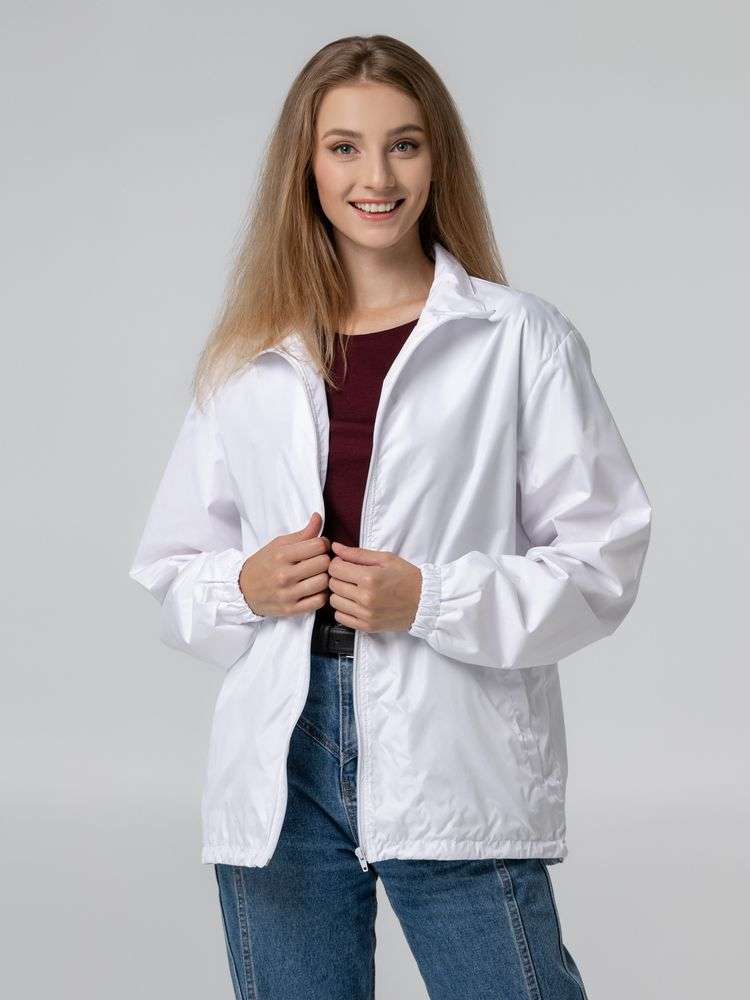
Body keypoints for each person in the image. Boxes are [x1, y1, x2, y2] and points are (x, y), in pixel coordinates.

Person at [129, 33, 652, 1000]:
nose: (376, 177)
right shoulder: (247, 359)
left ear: (437, 158)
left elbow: (602, 560)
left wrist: (432, 599)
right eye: (345, 148)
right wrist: (242, 585)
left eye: (403, 145)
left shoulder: (518, 339)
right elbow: (171, 569)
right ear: (306, 166)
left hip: (452, 742)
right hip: (281, 759)